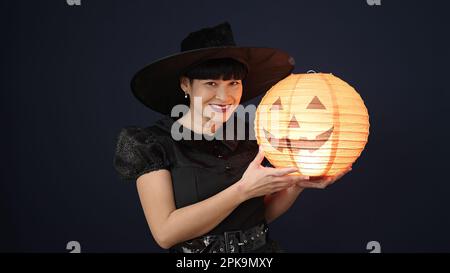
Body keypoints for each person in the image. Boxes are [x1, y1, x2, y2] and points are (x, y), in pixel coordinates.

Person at [113, 22, 350, 253]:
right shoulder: (153, 143)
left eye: (233, 83)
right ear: (186, 84)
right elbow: (165, 233)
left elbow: (259, 216)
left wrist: (295, 187)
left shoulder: (251, 136)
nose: (225, 96)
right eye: (211, 83)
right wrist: (242, 190)